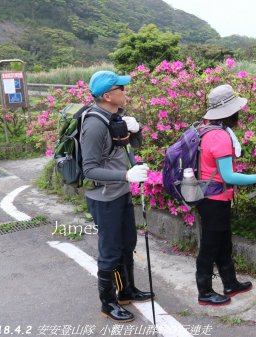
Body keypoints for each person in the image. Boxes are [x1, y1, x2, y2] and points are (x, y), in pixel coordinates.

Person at [81, 70, 152, 322]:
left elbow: (132, 146)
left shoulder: (115, 116)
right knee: (110, 251)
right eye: (121, 89)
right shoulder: (94, 124)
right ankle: (108, 303)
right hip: (104, 198)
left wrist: (136, 129)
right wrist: (126, 176)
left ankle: (126, 291)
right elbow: (88, 168)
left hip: (120, 193)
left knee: (127, 244)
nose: (125, 92)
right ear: (108, 95)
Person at [195, 84, 256, 306]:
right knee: (210, 246)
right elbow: (228, 176)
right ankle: (204, 291)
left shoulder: (205, 129)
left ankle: (230, 283)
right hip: (214, 200)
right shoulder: (220, 137)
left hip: (209, 197)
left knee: (223, 242)